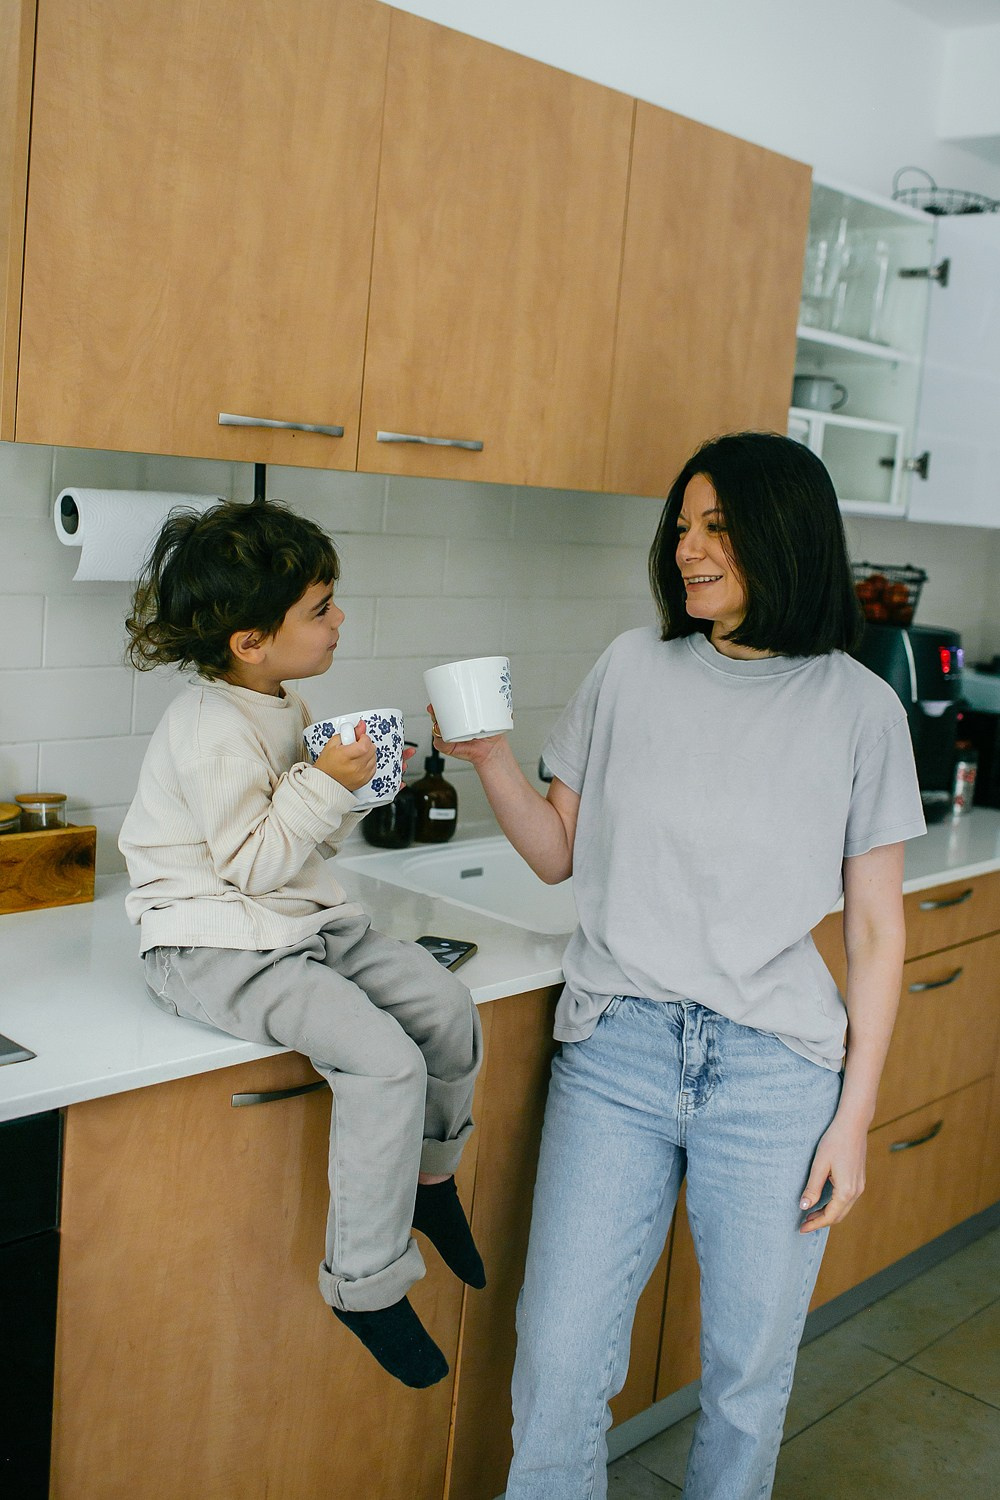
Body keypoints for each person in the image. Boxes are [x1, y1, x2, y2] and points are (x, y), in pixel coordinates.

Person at [429, 432, 925, 1497]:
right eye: (682, 526)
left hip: (776, 1072)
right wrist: (491, 763)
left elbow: (876, 931)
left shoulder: (859, 708)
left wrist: (854, 1116)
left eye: (718, 528)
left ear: (783, 540)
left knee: (747, 1376)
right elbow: (560, 852)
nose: (688, 549)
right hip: (618, 1052)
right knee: (558, 1361)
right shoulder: (629, 667)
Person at [119, 498, 484, 1391]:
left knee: (444, 1006)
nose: (338, 619)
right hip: (212, 944)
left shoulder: (280, 701)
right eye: (320, 607)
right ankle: (365, 1284)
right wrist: (324, 785)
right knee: (384, 1063)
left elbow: (298, 850)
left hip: (289, 922)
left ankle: (430, 1188)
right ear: (251, 640)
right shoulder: (209, 731)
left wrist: (342, 788)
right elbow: (249, 865)